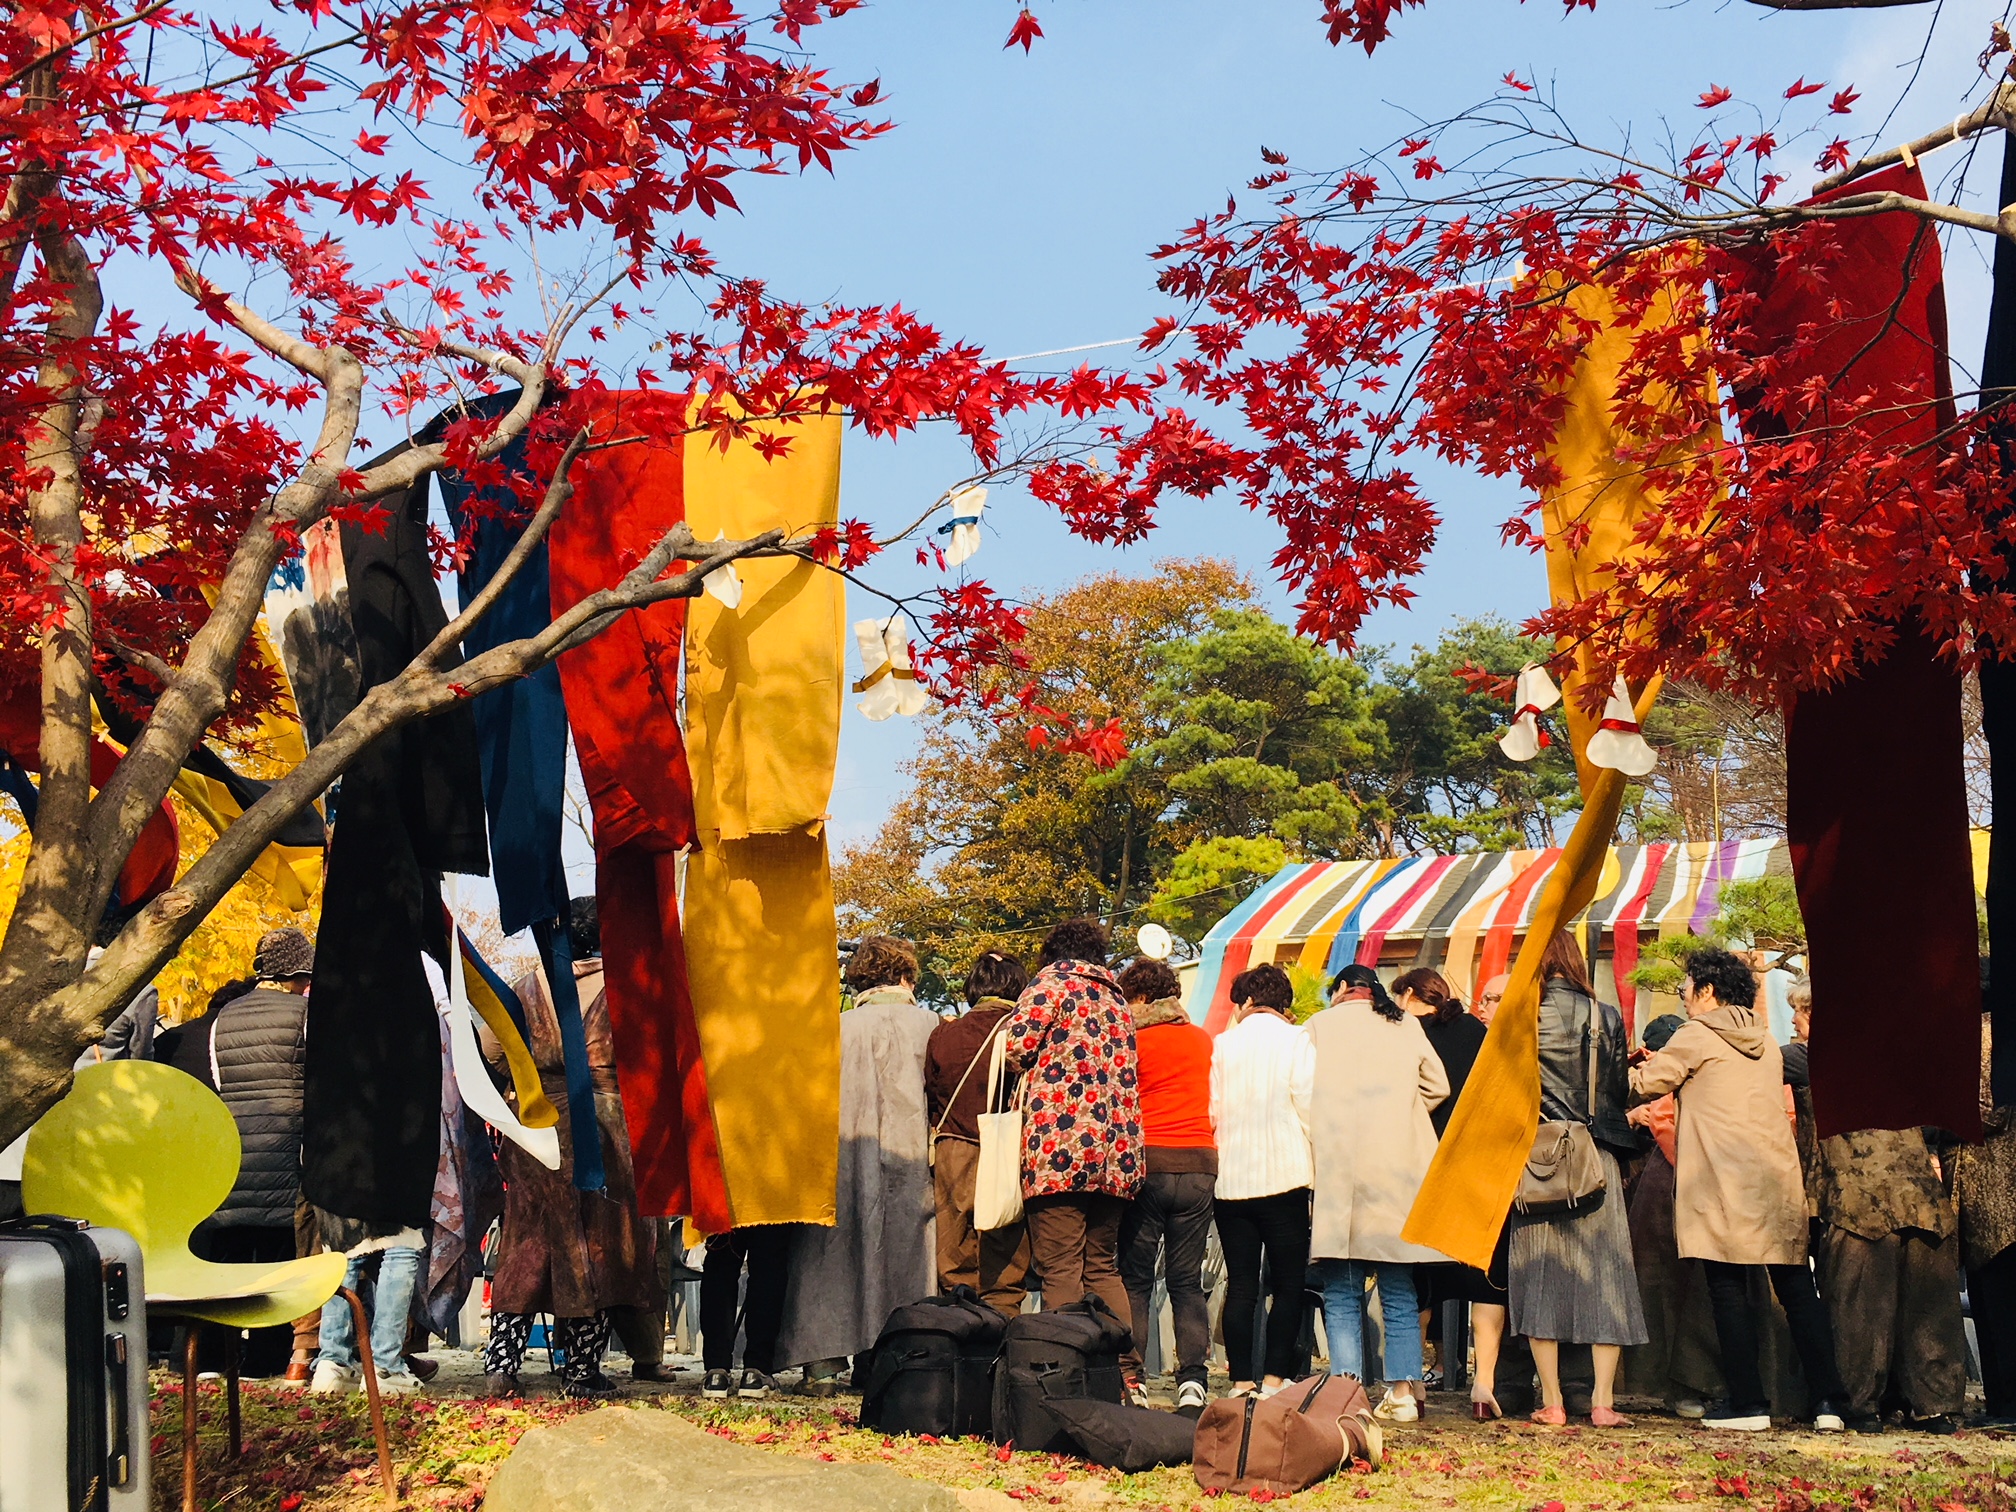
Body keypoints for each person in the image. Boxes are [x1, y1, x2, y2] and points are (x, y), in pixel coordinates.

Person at [1629, 946, 1847, 1434]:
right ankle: (1829, 1401)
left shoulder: (1696, 1034)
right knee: (1796, 1291)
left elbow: (1649, 1083)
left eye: (1686, 989)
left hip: (1722, 1183)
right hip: (1777, 1180)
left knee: (1726, 1290)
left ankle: (1749, 1403)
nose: (1683, 998)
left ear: (1707, 991)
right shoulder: (1766, 1040)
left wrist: (1624, 1070)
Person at [480, 898, 662, 1399]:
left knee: (527, 1239)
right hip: (605, 1124)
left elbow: (492, 1051)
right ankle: (581, 1371)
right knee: (601, 1243)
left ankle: (502, 1365)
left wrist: (528, 1082)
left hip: (538, 1125)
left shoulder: (526, 986)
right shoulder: (626, 990)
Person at [778, 934, 939, 1395]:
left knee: (832, 1256)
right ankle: (901, 1360)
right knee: (909, 1257)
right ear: (907, 975)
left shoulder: (834, 1028)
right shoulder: (934, 1025)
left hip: (839, 1158)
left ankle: (823, 1366)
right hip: (910, 1160)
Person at [1808, 990, 1966, 1431]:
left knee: (1860, 1313)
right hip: (1921, 1201)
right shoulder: (1908, 1065)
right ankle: (1936, 1407)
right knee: (1927, 1312)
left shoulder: (1821, 1066)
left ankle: (1862, 1408)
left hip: (1859, 1205)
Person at [1508, 931, 1646, 1428]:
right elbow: (1616, 1089)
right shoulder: (1606, 1015)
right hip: (1595, 1158)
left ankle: (1552, 1402)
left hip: (1538, 1160)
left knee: (1538, 1277)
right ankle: (1604, 1402)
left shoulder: (1521, 1015)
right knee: (1606, 1276)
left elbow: (1504, 1090)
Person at [1305, 963, 1449, 1423]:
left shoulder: (1317, 1026)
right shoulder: (1404, 1023)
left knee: (1343, 1291)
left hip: (1337, 1168)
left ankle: (1346, 1397)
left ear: (1343, 989)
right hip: (1395, 1172)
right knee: (1398, 1288)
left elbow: (1299, 1090)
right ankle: (1405, 1392)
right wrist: (1401, 1114)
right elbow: (1438, 1086)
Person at [1002, 918, 1142, 1326]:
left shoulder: (1049, 987)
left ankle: (1066, 1369)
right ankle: (1126, 1375)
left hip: (1060, 1149)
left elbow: (1016, 1048)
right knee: (1101, 1266)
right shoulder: (1119, 1002)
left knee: (1060, 1266)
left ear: (1052, 953)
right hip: (1118, 1154)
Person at [189, 927, 314, 1379]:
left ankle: (214, 1358)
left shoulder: (225, 1017)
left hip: (234, 1147)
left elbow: (221, 1082)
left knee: (230, 1253)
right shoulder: (304, 1015)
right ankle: (266, 1358)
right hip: (286, 1143)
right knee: (280, 1256)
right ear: (296, 972)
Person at [1393, 966, 1505, 1419]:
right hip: (1476, 1164)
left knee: (1417, 1280)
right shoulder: (1476, 1033)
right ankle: (1484, 1386)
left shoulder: (1404, 1034)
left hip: (1421, 1167)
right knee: (1485, 1276)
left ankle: (1414, 1387)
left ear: (1410, 996)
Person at [1114, 956, 1216, 1414]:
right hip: (1199, 1163)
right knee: (1186, 1280)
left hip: (1148, 1164)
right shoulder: (1202, 1040)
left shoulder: (1131, 1043)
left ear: (1137, 998)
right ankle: (1193, 1380)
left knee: (1135, 1279)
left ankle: (1131, 1377)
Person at [1209, 961, 1314, 1398]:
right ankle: (1274, 1379)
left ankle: (1240, 1381)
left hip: (1232, 1180)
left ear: (1246, 1001)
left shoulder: (1223, 1044)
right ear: (1283, 1003)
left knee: (1242, 1285)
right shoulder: (1296, 1038)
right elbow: (1308, 1104)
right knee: (1289, 1285)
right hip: (1287, 1176)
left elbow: (1212, 1110)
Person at [1624, 1013, 1726, 1419]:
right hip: (1664, 1185)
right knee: (1666, 1285)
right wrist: (1632, 1119)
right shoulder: (1641, 1082)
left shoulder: (1689, 1076)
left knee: (1683, 1285)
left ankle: (1684, 1382)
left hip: (1676, 1181)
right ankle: (1668, 1382)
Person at [925, 950, 1034, 1317]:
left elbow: (933, 1093)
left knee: (955, 1255)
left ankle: (961, 1335)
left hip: (953, 1148)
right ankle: (1002, 1335)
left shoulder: (945, 1033)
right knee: (1005, 1255)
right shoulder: (1022, 1033)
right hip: (1006, 1147)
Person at [1958, 1000, 2016, 1425]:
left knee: (1995, 1296)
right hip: (1999, 1183)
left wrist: (1935, 1121)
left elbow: (1987, 1108)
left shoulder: (1983, 1034)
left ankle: (2006, 1403)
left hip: (1991, 1182)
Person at [698, 1226, 795, 1400]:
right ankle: (756, 1372)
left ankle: (716, 1372)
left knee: (720, 1260)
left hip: (726, 1200)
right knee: (768, 1262)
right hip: (770, 1201)